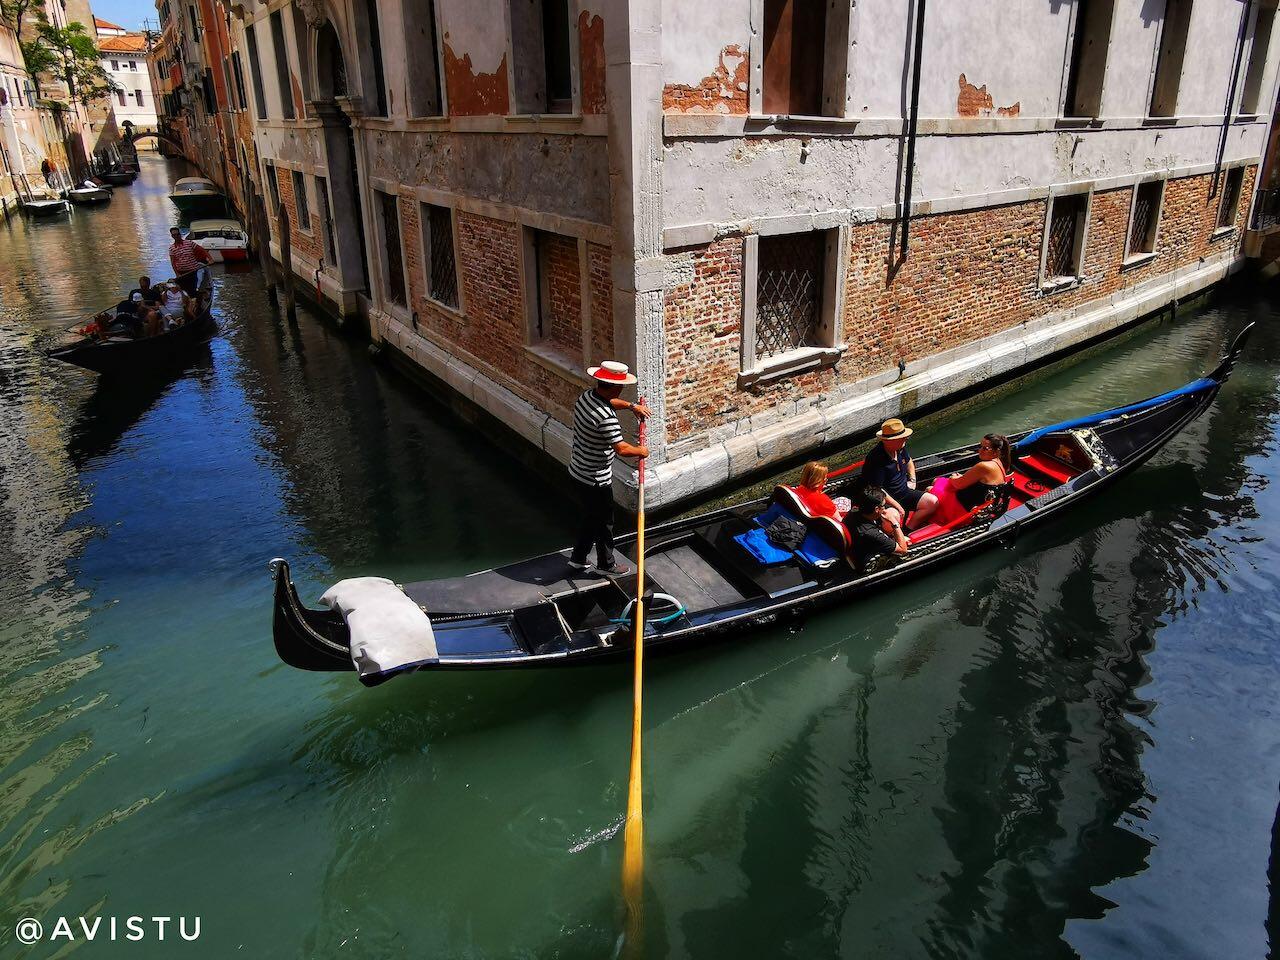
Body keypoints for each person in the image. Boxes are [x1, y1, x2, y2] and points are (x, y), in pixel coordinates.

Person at [567, 361, 649, 576]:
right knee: (605, 522)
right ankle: (606, 565)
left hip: (577, 470)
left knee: (590, 517)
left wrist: (632, 407)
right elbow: (622, 449)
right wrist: (642, 451)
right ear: (615, 386)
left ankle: (577, 559)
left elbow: (610, 402)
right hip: (595, 478)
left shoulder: (587, 397)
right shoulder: (606, 417)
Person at [861, 417, 939, 529]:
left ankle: (909, 529)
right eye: (902, 437)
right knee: (892, 518)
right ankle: (896, 539)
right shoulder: (876, 458)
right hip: (886, 500)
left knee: (932, 502)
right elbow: (877, 489)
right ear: (889, 440)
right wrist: (897, 506)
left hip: (905, 491)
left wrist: (912, 480)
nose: (906, 439)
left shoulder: (899, 448)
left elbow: (909, 461)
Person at [923, 434, 1013, 527]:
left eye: (985, 448)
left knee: (929, 489)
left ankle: (921, 522)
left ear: (996, 452)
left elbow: (958, 485)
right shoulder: (999, 462)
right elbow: (978, 481)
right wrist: (961, 477)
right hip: (974, 500)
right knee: (936, 481)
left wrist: (953, 477)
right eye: (980, 446)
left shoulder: (984, 466)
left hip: (963, 508)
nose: (980, 450)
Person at [847, 486, 909, 568]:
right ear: (876, 509)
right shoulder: (871, 533)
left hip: (858, 545)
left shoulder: (854, 511)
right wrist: (894, 523)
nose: (885, 507)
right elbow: (903, 550)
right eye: (883, 505)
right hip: (867, 562)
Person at [169, 226, 212, 297]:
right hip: (181, 273)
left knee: (192, 291)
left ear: (180, 234)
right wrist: (177, 274)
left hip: (192, 271)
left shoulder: (189, 243)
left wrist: (210, 259)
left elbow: (202, 250)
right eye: (174, 235)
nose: (176, 236)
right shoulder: (171, 248)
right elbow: (173, 263)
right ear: (172, 236)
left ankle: (195, 302)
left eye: (177, 234)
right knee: (183, 292)